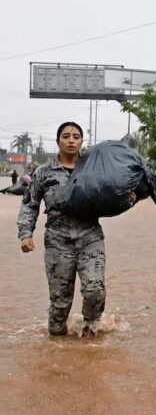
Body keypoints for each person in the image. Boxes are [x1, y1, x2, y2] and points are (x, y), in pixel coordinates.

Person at [17, 122, 107, 336]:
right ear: (58, 141)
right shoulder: (44, 173)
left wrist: (129, 197)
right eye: (66, 136)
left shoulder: (93, 170)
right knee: (60, 303)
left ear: (81, 141)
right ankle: (57, 345)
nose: (71, 140)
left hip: (90, 237)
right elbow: (30, 204)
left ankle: (90, 329)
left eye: (76, 136)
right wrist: (25, 234)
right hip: (58, 242)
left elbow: (113, 193)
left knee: (95, 290)